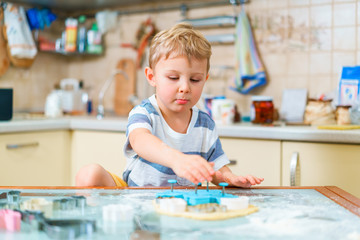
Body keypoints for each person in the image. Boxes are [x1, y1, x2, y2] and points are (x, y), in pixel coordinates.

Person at [76, 22, 264, 188]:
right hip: (136, 196)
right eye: (173, 78)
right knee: (89, 174)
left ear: (205, 79)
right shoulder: (144, 112)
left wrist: (231, 179)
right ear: (152, 77)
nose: (185, 88)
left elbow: (215, 167)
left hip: (183, 204)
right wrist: (176, 159)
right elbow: (139, 141)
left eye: (195, 80)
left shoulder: (205, 123)